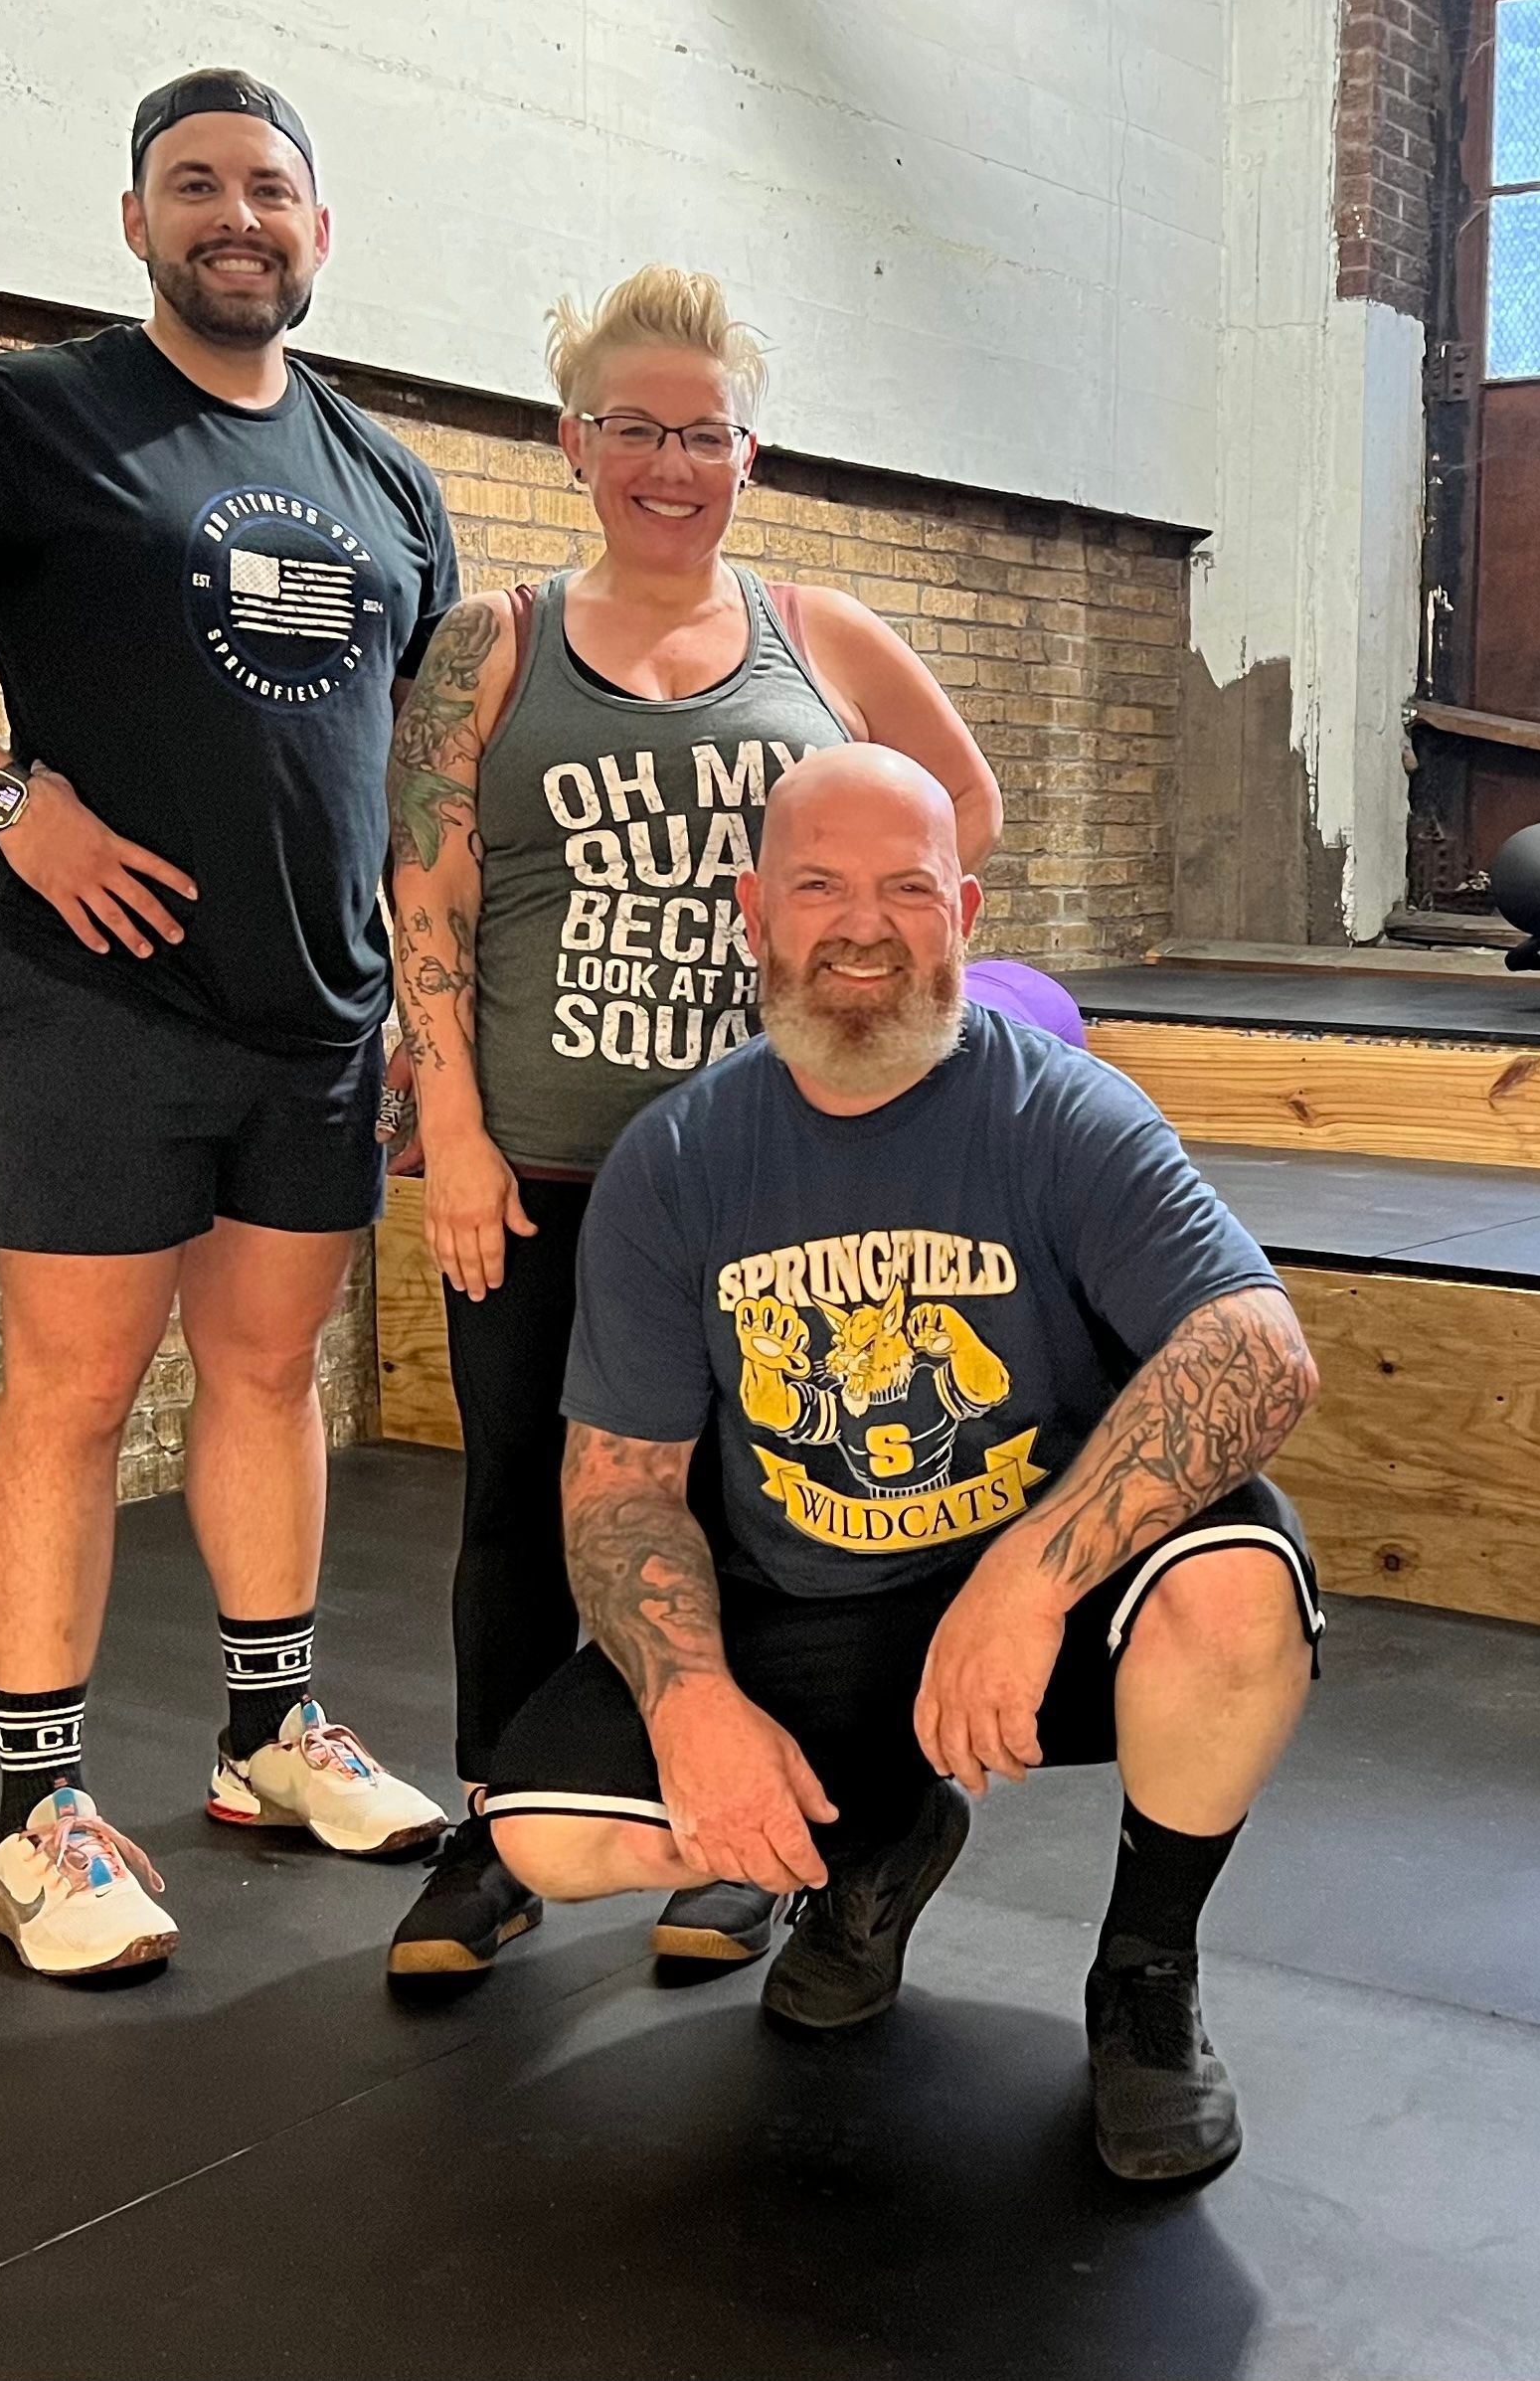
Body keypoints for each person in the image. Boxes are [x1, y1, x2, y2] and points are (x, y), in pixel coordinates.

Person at [0, 69, 455, 1977]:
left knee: (269, 1374)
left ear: (322, 231)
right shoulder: (38, 417)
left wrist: (414, 996)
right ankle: (32, 1815)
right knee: (69, 1391)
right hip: (100, 1008)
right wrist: (6, 799)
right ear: (134, 222)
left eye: (273, 190)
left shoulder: (388, 479)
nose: (238, 216)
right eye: (195, 186)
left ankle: (266, 1734)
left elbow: (387, 765)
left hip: (316, 1019)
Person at [482, 746, 1321, 2183]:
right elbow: (619, 1485)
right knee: (550, 1832)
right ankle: (874, 1841)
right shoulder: (677, 1158)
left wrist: (1029, 1573)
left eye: (905, 888)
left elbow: (1261, 1348)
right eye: (818, 885)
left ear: (965, 912)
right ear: (754, 911)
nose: (862, 926)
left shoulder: (1060, 1114)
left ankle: (1146, 1972)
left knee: (1235, 1586)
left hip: (1035, 1613)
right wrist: (690, 1705)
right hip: (806, 1605)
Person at [384, 266, 1079, 1982]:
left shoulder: (818, 634)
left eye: (704, 434)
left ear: (747, 454)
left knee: (756, 1503)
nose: (670, 464)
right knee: (519, 1499)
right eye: (637, 430)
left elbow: (953, 809)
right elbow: (427, 887)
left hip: (766, 1174)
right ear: (577, 443)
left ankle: (744, 1832)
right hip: (543, 1165)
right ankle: (496, 1827)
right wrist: (451, 1132)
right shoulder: (495, 640)